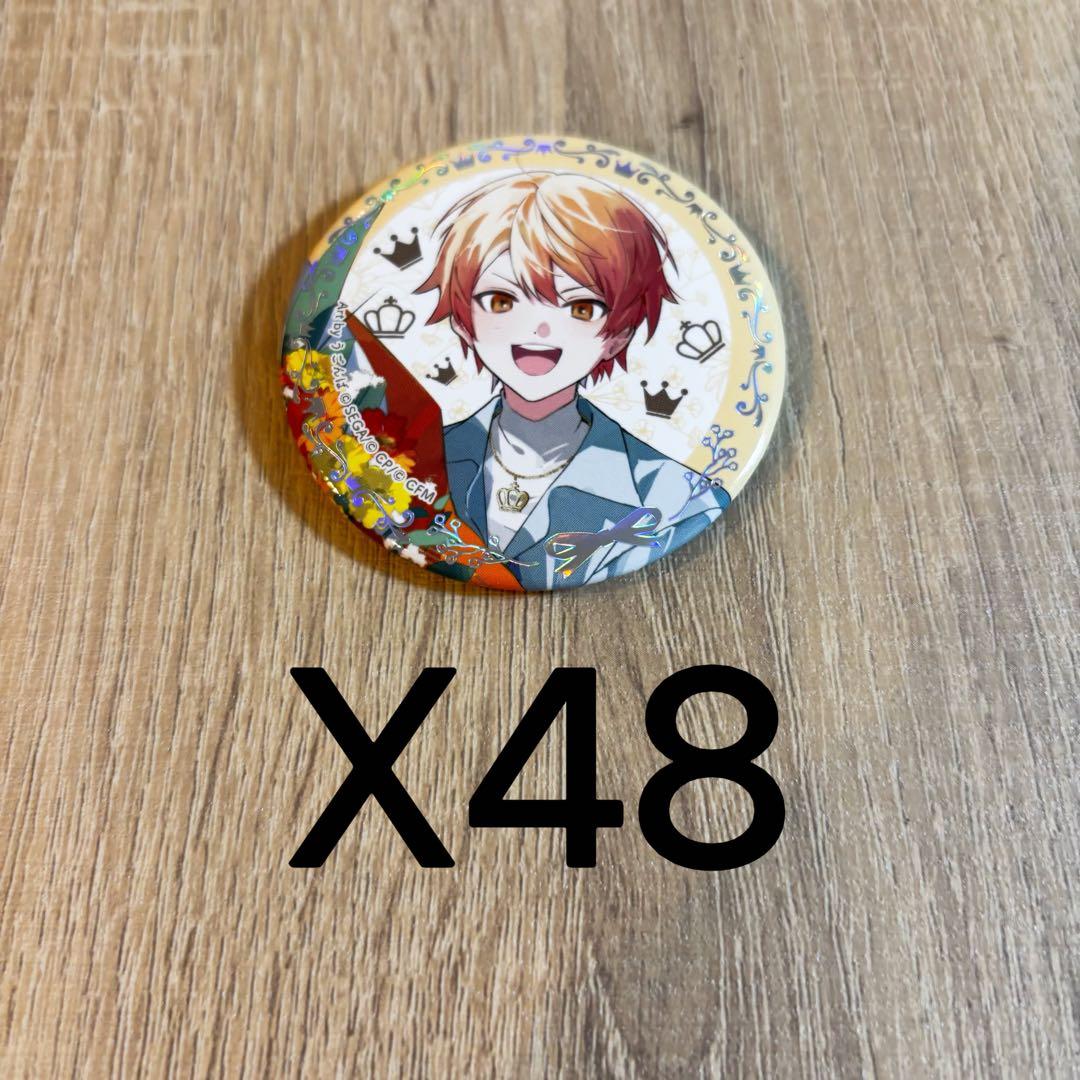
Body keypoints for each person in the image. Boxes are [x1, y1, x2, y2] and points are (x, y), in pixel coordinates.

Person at [414, 170, 728, 589]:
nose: (539, 329)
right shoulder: (416, 462)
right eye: (501, 300)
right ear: (463, 322)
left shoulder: (677, 498)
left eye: (581, 308)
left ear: (618, 336)